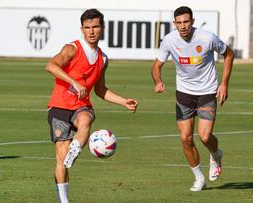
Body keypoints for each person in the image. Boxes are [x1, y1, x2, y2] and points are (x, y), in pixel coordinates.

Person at [46, 8, 138, 203]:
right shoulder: (72, 48)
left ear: (102, 28)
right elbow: (51, 66)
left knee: (86, 118)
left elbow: (100, 90)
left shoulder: (103, 59)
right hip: (60, 106)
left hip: (81, 106)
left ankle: (77, 147)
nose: (91, 31)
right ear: (82, 29)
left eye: (95, 26)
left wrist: (124, 101)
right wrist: (74, 82)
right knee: (61, 160)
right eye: (87, 27)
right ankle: (64, 200)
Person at [151, 6, 234, 192]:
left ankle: (216, 153)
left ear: (193, 22)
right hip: (184, 93)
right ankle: (199, 178)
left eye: (186, 22)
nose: (182, 26)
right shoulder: (169, 40)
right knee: (185, 138)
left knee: (204, 137)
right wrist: (158, 81)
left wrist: (224, 84)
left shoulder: (207, 38)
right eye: (179, 23)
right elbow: (156, 66)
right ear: (174, 24)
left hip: (207, 91)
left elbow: (229, 54)